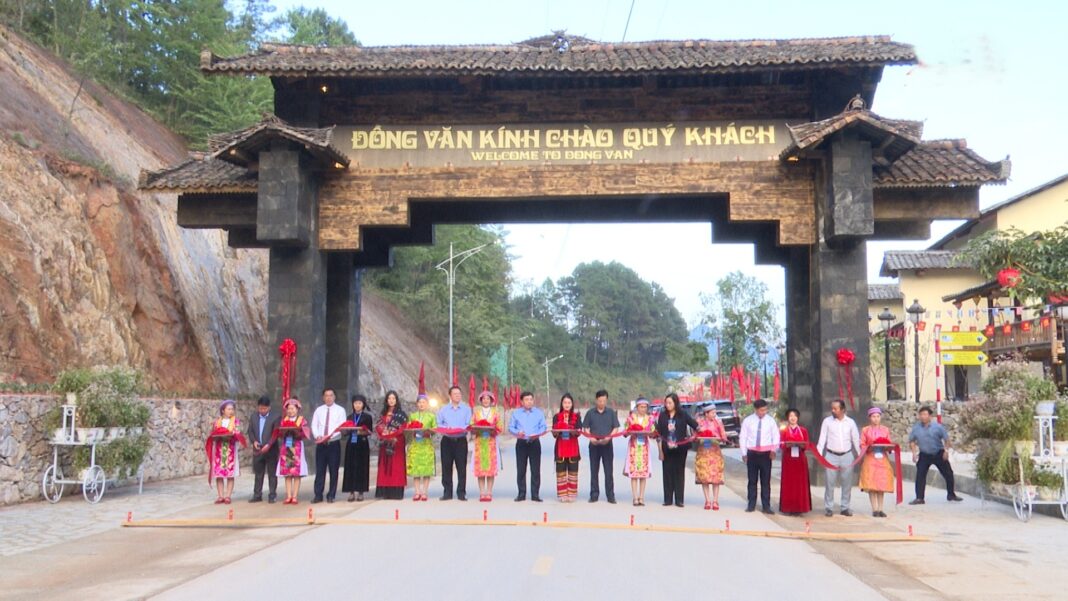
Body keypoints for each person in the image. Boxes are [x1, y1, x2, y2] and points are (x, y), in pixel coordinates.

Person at [908, 406, 964, 504]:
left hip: (938, 453)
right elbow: (912, 441)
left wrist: (946, 451)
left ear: (930, 416)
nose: (923, 417)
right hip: (924, 454)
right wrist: (914, 453)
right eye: (921, 414)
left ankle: (951, 494)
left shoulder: (938, 427)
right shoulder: (916, 428)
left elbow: (946, 440)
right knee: (920, 475)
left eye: (925, 414)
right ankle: (919, 498)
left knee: (948, 474)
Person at [816, 399, 861, 517]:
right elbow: (822, 438)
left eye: (835, 409)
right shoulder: (827, 422)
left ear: (843, 410)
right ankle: (829, 507)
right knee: (829, 483)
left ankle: (845, 507)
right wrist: (819, 455)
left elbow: (856, 439)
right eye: (832, 408)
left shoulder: (850, 422)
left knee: (847, 483)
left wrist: (860, 454)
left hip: (847, 455)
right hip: (831, 455)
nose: (833, 410)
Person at [656, 392, 700, 508]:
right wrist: (660, 451)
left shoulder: (683, 414)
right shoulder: (662, 416)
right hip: (666, 448)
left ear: (675, 403)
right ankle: (668, 499)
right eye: (666, 403)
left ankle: (679, 499)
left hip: (680, 448)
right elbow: (658, 434)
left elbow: (695, 426)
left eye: (670, 403)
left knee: (679, 473)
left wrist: (695, 436)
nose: (668, 405)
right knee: (667, 472)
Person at [739, 398, 780, 514]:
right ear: (756, 410)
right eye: (761, 410)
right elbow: (743, 437)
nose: (764, 412)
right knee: (752, 480)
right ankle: (751, 504)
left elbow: (775, 436)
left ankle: (766, 506)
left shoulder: (770, 421)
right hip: (752, 453)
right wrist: (744, 453)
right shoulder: (748, 421)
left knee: (765, 481)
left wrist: (773, 450)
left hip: (766, 454)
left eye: (765, 410)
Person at [582, 389, 620, 504]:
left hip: (607, 444)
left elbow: (616, 427)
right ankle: (594, 495)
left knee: (608, 471)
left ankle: (610, 495)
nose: (602, 403)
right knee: (594, 470)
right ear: (596, 400)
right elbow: (586, 428)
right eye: (600, 401)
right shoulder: (590, 413)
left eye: (604, 401)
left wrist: (608, 438)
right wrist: (591, 438)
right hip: (594, 444)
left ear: (606, 400)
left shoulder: (611, 413)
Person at [310, 388, 348, 503]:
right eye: (326, 396)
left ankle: (331, 495)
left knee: (333, 470)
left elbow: (342, 426)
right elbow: (314, 425)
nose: (328, 398)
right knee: (320, 470)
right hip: (321, 444)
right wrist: (317, 436)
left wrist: (330, 436)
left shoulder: (340, 410)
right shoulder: (319, 410)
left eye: (331, 395)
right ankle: (318, 494)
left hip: (333, 443)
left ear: (334, 397)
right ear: (323, 397)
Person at [437, 386, 473, 501]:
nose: (458, 395)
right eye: (455, 394)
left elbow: (469, 423)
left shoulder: (467, 409)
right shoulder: (443, 409)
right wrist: (447, 428)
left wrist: (460, 428)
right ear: (450, 396)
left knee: (461, 467)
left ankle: (461, 492)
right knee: (446, 467)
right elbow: (439, 423)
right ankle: (447, 492)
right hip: (447, 440)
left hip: (460, 440)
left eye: (459, 394)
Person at [509, 391, 546, 502]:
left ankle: (535, 494)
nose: (529, 402)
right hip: (521, 442)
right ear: (521, 401)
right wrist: (517, 432)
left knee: (535, 469)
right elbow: (511, 427)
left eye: (531, 399)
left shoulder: (539, 413)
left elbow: (543, 427)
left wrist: (537, 433)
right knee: (521, 469)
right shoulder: (516, 413)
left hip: (534, 442)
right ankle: (521, 493)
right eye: (526, 399)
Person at [208, 399, 246, 504]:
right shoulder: (217, 422)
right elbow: (213, 434)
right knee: (219, 474)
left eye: (232, 409)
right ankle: (220, 496)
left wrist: (232, 435)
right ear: (223, 410)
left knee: (230, 474)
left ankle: (228, 496)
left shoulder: (235, 422)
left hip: (230, 450)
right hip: (219, 451)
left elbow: (238, 434)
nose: (231, 411)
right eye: (228, 409)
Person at [860, 407, 895, 517]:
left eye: (878, 416)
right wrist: (869, 447)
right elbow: (862, 444)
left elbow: (889, 443)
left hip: (882, 458)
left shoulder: (885, 430)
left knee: (881, 483)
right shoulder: (865, 430)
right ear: (869, 418)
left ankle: (880, 508)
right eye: (873, 416)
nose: (876, 419)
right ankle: (874, 509)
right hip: (870, 458)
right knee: (871, 483)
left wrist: (889, 447)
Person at [275, 397, 311, 505]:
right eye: (289, 409)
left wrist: (297, 432)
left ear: (297, 409)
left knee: (296, 473)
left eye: (293, 409)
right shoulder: (283, 420)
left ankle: (295, 496)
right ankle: (288, 496)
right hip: (286, 446)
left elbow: (305, 434)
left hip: (297, 446)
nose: (290, 411)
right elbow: (279, 434)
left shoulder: (302, 420)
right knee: (287, 473)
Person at [375, 390, 408, 500]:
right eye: (389, 398)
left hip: (397, 442)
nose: (391, 400)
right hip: (385, 443)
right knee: (385, 466)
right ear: (386, 400)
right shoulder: (382, 414)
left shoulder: (401, 414)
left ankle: (396, 492)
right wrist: (385, 435)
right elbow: (378, 427)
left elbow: (403, 427)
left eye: (393, 398)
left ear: (396, 400)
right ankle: (386, 492)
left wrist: (393, 434)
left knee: (396, 466)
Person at [778, 408, 812, 516]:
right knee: (789, 483)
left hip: (800, 460)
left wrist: (801, 445)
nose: (793, 418)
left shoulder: (803, 430)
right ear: (788, 418)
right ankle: (788, 507)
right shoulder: (784, 431)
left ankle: (800, 507)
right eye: (790, 416)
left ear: (798, 418)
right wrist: (788, 444)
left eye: (795, 416)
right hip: (788, 459)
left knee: (800, 483)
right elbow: (781, 444)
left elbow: (807, 444)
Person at [471, 390, 504, 501]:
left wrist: (493, 430)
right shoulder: (476, 413)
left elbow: (500, 427)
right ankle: (482, 492)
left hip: (491, 443)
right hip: (479, 443)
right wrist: (476, 429)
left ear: (491, 400)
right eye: (484, 399)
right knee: (480, 470)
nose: (486, 400)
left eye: (488, 399)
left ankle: (489, 492)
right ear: (481, 400)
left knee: (490, 470)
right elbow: (471, 425)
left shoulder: (496, 413)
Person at [694, 405, 727, 511]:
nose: (714, 415)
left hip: (715, 453)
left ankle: (715, 500)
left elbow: (724, 437)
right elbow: (694, 436)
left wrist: (719, 438)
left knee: (716, 478)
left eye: (715, 413)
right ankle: (707, 500)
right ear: (706, 414)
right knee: (704, 478)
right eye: (712, 413)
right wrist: (699, 437)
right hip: (703, 453)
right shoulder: (699, 423)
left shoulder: (718, 423)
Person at [247, 395, 279, 503]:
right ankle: (257, 495)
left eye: (264, 408)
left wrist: (269, 444)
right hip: (258, 449)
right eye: (260, 408)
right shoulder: (254, 417)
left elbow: (276, 433)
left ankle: (272, 495)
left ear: (269, 407)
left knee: (272, 473)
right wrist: (254, 441)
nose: (262, 410)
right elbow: (250, 431)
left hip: (271, 449)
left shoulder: (275, 417)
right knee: (258, 473)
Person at [624, 397, 655, 506]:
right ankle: (635, 497)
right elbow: (625, 432)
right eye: (641, 407)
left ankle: (641, 497)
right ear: (637, 407)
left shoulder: (650, 419)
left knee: (643, 474)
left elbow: (653, 433)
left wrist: (650, 433)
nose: (643, 409)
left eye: (645, 407)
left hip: (644, 448)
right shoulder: (631, 419)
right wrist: (630, 431)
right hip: (634, 447)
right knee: (634, 473)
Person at [406, 394, 438, 502]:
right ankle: (417, 492)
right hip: (415, 444)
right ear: (417, 404)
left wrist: (429, 431)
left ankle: (424, 492)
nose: (421, 404)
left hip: (426, 444)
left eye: (423, 402)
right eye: (419, 402)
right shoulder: (413, 416)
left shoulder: (431, 416)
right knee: (416, 469)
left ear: (427, 404)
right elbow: (408, 428)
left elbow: (435, 429)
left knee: (426, 469)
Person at [342, 394, 373, 502]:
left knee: (361, 467)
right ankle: (351, 491)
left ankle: (361, 491)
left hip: (362, 444)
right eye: (355, 403)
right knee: (350, 467)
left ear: (363, 404)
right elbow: (346, 431)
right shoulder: (350, 417)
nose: (357, 405)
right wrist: (345, 431)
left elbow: (370, 431)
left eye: (359, 403)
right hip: (351, 443)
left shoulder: (367, 417)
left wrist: (362, 431)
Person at [552, 393, 582, 502]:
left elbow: (579, 431)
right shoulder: (556, 417)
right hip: (561, 447)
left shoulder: (577, 417)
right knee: (561, 472)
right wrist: (558, 430)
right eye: (565, 402)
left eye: (569, 402)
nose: (567, 404)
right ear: (562, 404)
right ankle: (562, 494)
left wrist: (572, 430)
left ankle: (572, 494)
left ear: (572, 404)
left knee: (573, 472)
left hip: (573, 447)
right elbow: (554, 433)